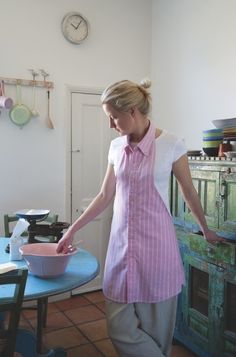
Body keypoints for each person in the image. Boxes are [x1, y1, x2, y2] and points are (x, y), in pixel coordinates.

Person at [57, 79, 224, 357]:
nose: (111, 125)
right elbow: (103, 195)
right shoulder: (115, 147)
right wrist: (72, 229)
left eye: (113, 117)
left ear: (132, 111)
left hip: (158, 251)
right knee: (118, 327)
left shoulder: (171, 143)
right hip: (121, 249)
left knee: (158, 335)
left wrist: (205, 229)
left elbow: (189, 192)